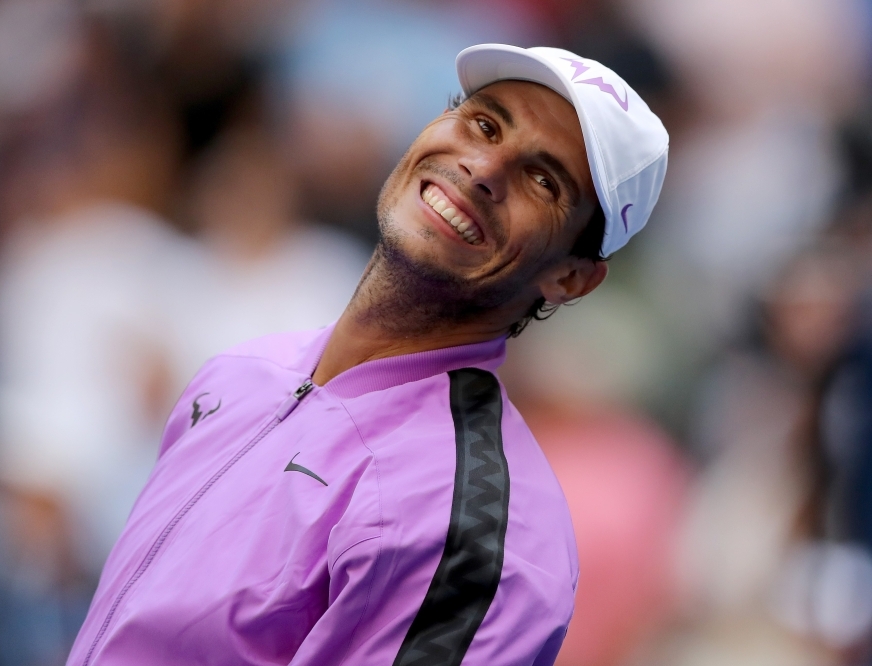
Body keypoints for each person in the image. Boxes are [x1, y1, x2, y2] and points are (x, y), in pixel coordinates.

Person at [67, 44, 668, 665]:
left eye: (543, 180)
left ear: (572, 278)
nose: (485, 166)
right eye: (484, 123)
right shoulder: (243, 371)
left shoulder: (477, 537)